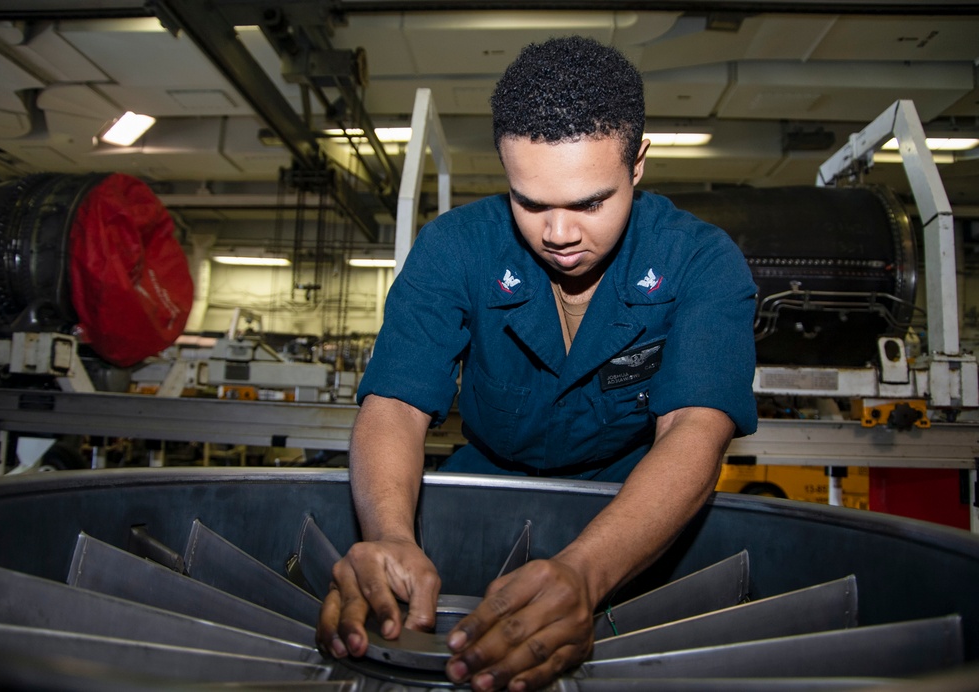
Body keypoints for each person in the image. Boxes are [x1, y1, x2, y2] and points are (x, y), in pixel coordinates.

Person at [316, 35, 758, 691]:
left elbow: (694, 430)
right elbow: (396, 406)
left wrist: (586, 573)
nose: (558, 234)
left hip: (630, 512)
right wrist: (390, 537)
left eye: (588, 203)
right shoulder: (453, 249)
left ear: (637, 164)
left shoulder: (704, 262)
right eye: (530, 201)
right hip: (478, 495)